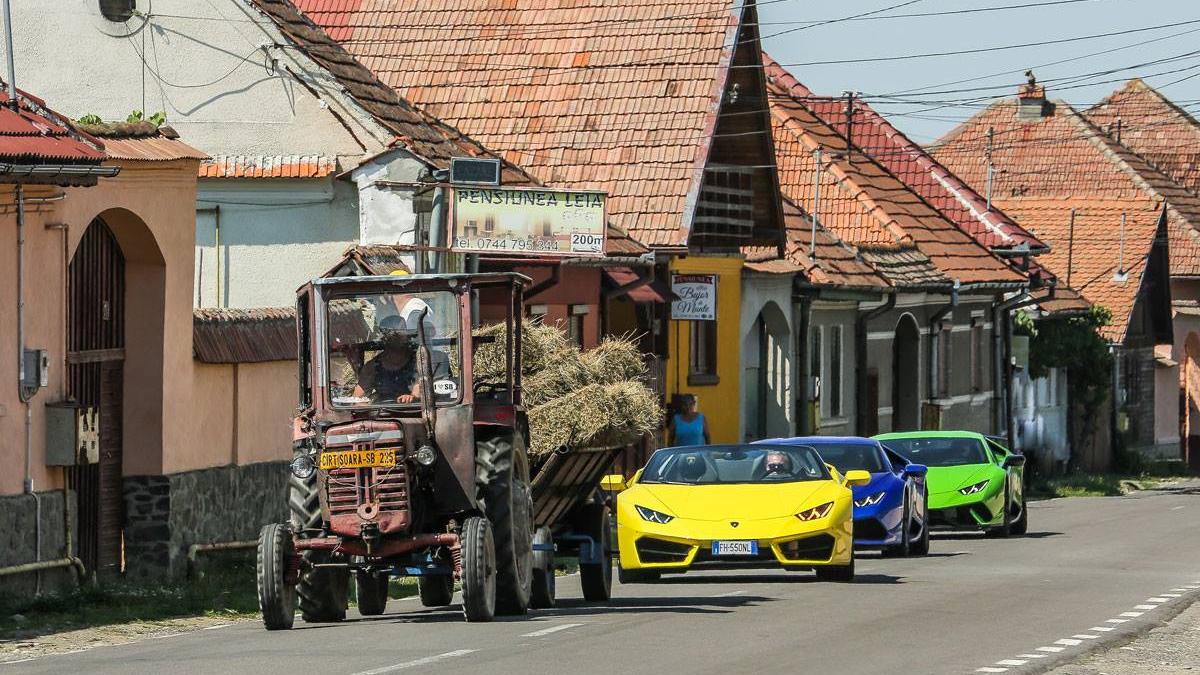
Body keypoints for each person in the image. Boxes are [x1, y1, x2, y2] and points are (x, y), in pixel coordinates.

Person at [353, 315, 423, 404]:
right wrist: (364, 407)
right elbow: (357, 399)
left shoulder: (418, 361)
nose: (401, 336)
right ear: (384, 338)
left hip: (414, 413)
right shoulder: (372, 367)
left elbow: (419, 388)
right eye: (394, 334)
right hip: (382, 414)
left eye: (403, 332)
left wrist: (412, 397)